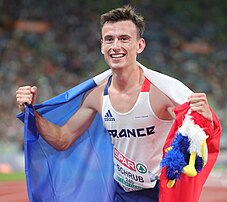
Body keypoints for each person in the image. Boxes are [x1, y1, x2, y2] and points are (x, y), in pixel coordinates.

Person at [16, 5, 217, 202]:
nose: (115, 46)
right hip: (121, 192)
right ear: (102, 45)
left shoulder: (161, 93)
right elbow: (62, 139)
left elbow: (193, 132)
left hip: (159, 193)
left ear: (140, 45)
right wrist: (30, 112)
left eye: (124, 39)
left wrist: (204, 120)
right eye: (109, 39)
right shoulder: (96, 95)